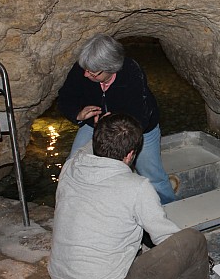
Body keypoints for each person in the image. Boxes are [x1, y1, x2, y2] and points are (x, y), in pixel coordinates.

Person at [47, 113, 220, 279]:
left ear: (97, 140)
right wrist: (198, 260)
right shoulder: (137, 187)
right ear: (130, 155)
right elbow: (166, 238)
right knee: (192, 241)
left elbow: (89, 146)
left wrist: (105, 126)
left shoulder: (71, 167)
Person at [57, 33, 176, 204]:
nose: (86, 75)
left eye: (93, 73)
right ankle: (75, 207)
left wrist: (111, 124)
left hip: (137, 128)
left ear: (111, 68)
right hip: (94, 125)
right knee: (74, 166)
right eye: (85, 69)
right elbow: (65, 97)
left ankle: (169, 208)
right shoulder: (84, 69)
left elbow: (140, 116)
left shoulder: (131, 73)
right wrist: (78, 114)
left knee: (152, 175)